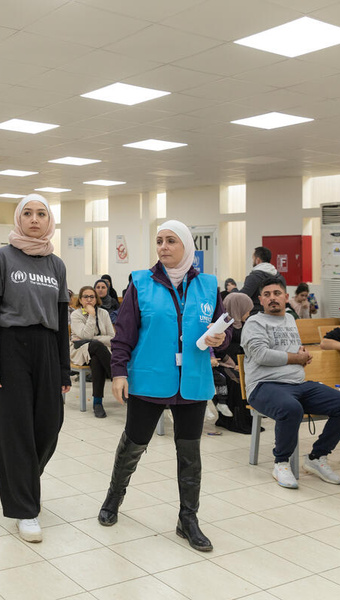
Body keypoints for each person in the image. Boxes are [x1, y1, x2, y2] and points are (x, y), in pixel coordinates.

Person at [98, 220, 228, 553]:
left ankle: (188, 520)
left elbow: (223, 334)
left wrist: (222, 338)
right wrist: (118, 372)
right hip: (150, 377)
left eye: (171, 241)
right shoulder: (140, 283)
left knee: (190, 453)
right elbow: (124, 333)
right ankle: (113, 499)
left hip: (193, 382)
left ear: (187, 246)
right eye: (159, 241)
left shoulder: (208, 286)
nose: (163, 247)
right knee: (134, 443)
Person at [0, 193, 70, 544]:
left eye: (42, 214)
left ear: (49, 222)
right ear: (19, 219)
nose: (35, 219)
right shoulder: (2, 257)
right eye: (28, 213)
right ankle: (25, 509)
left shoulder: (57, 265)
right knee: (15, 429)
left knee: (50, 423)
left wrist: (64, 368)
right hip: (11, 346)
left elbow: (62, 319)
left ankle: (25, 481)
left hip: (47, 347)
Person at [243, 277, 340, 489]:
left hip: (297, 384)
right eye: (267, 295)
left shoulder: (289, 319)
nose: (272, 299)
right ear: (260, 299)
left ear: (286, 297)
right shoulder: (254, 323)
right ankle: (281, 462)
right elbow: (260, 355)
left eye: (277, 293)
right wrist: (296, 358)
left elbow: (293, 349)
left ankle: (317, 456)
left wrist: (302, 354)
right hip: (264, 386)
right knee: (290, 408)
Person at [70, 285, 115, 418]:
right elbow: (85, 335)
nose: (89, 299)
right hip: (80, 351)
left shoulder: (104, 313)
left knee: (96, 357)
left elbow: (112, 338)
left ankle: (97, 403)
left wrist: (94, 339)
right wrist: (91, 315)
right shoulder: (76, 315)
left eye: (92, 296)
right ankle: (117, 377)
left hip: (100, 351)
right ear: (81, 299)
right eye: (85, 297)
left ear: (96, 299)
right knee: (96, 347)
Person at [213, 292, 255, 434]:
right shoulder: (222, 325)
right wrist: (232, 364)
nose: (248, 312)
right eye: (247, 309)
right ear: (238, 307)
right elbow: (218, 350)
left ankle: (248, 418)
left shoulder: (245, 324)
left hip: (241, 363)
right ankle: (233, 420)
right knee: (235, 380)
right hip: (224, 365)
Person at [239, 246, 285, 314]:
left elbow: (242, 298)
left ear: (257, 260)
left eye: (253, 259)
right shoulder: (280, 277)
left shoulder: (254, 277)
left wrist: (233, 289)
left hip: (256, 315)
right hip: (275, 314)